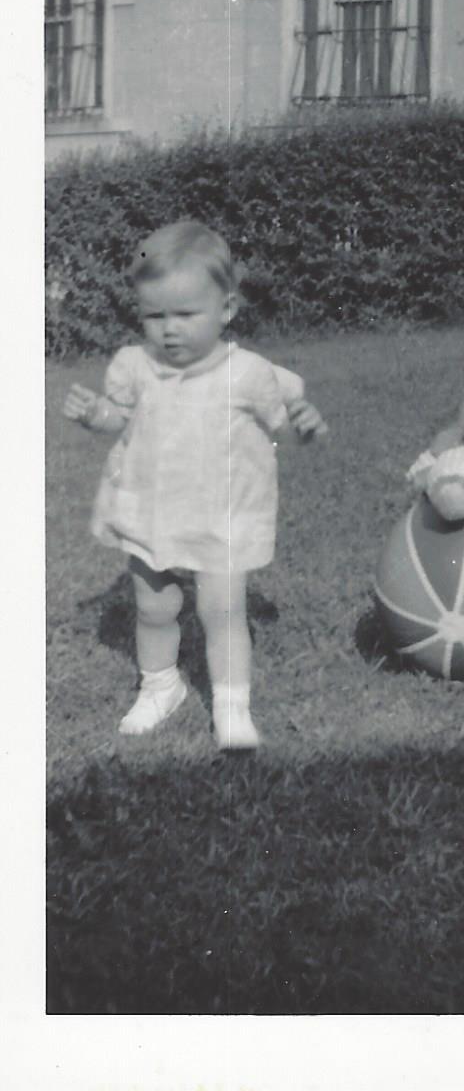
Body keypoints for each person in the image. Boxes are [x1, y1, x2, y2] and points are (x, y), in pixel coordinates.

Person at [63, 220, 327, 750]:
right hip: (150, 510)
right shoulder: (134, 365)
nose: (169, 329)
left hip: (221, 513)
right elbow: (119, 418)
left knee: (221, 610)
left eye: (185, 314)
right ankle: (161, 685)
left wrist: (304, 427)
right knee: (154, 607)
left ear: (226, 309)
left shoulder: (248, 373)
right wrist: (97, 415)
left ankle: (232, 706)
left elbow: (283, 424)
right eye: (154, 316)